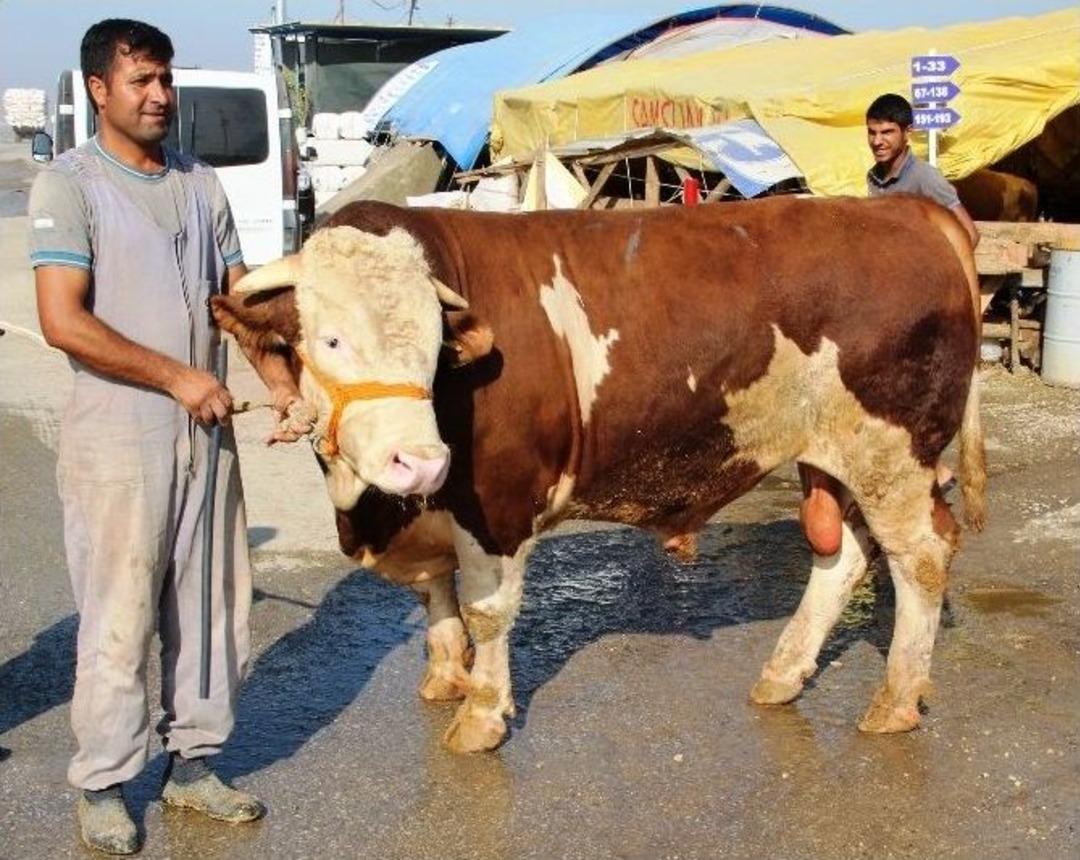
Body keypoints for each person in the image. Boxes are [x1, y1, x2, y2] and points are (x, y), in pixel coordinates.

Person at [29, 19, 307, 855]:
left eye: (166, 79)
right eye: (141, 81)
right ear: (99, 90)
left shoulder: (200, 183)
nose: (159, 96)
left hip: (206, 435)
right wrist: (178, 377)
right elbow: (62, 320)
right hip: (119, 439)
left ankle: (193, 767)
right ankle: (103, 782)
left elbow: (239, 301)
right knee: (119, 615)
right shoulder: (69, 186)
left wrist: (284, 384)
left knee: (214, 606)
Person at [799, 93, 976, 557]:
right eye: (873, 132)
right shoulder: (874, 180)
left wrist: (930, 279)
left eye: (887, 133)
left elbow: (967, 233)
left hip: (920, 307)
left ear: (906, 134)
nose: (878, 141)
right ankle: (920, 484)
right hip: (887, 306)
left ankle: (925, 490)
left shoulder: (925, 179)